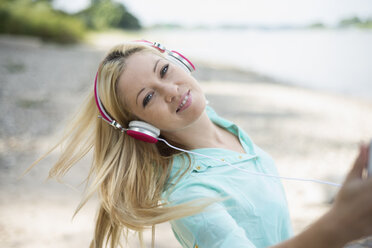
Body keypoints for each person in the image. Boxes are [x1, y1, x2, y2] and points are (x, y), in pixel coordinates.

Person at [30, 41, 372, 248]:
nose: (171, 91)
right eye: (148, 97)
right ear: (141, 129)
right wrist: (338, 226)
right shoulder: (189, 195)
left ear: (180, 60)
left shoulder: (222, 126)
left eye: (164, 70)